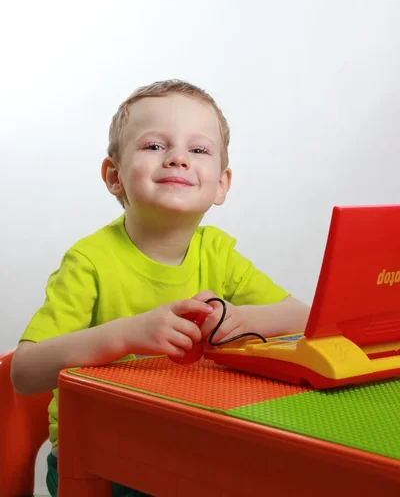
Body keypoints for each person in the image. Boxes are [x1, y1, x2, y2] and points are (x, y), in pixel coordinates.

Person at [11, 79, 310, 496]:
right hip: (100, 460)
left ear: (221, 184)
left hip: (190, 448)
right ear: (114, 176)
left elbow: (304, 316)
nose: (178, 159)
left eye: (198, 150)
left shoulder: (219, 253)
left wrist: (239, 316)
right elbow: (24, 373)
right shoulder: (89, 262)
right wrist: (128, 334)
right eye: (155, 146)